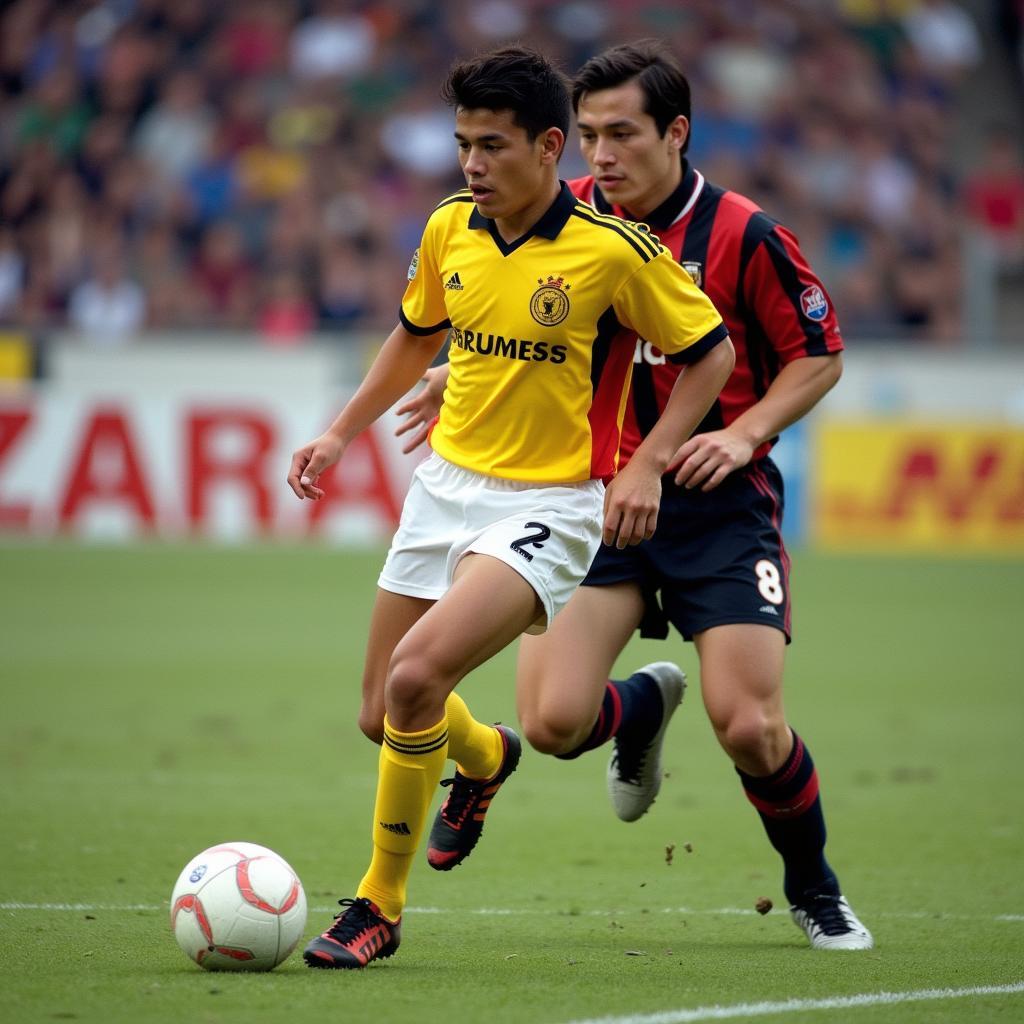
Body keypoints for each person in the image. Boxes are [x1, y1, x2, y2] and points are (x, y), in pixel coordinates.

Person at [397, 40, 872, 952]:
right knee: (552, 723)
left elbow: (820, 355)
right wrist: (452, 368)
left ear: (677, 132)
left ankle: (815, 888)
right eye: (586, 135)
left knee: (749, 725)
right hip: (591, 504)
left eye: (621, 134)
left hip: (714, 507)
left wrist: (738, 435)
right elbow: (517, 317)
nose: (600, 155)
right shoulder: (561, 216)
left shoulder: (744, 234)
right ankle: (643, 706)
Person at [287, 45, 734, 969]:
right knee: (382, 712)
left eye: (492, 146)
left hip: (550, 505)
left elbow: (712, 352)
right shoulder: (450, 226)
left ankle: (379, 904)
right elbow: (413, 341)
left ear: (547, 147)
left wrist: (648, 463)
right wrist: (338, 433)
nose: (473, 166)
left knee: (415, 683)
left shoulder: (612, 252)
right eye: (462, 145)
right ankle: (486, 757)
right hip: (444, 491)